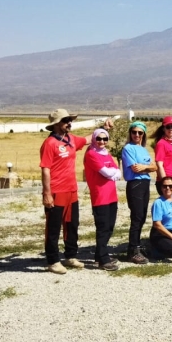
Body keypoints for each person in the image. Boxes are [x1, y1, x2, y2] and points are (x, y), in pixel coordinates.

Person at [39, 108, 110, 274]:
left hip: (71, 190)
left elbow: (87, 139)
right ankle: (53, 260)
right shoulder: (49, 144)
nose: (69, 123)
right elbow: (45, 169)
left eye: (70, 120)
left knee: (72, 224)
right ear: (56, 124)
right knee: (54, 227)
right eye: (65, 120)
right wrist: (47, 193)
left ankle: (70, 256)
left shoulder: (70, 139)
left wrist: (103, 128)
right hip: (56, 191)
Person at [82, 127, 121, 271]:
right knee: (103, 228)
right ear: (94, 139)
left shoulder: (106, 154)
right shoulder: (91, 154)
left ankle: (100, 254)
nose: (102, 141)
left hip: (111, 196)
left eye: (105, 139)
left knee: (110, 227)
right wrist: (112, 173)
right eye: (99, 138)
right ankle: (103, 260)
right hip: (100, 196)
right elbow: (105, 172)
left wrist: (113, 173)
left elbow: (118, 171)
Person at [121, 121, 157, 264]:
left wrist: (146, 167)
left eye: (140, 132)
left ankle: (136, 245)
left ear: (143, 135)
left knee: (142, 216)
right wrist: (147, 167)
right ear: (130, 133)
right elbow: (136, 168)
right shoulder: (128, 148)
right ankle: (132, 250)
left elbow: (154, 167)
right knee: (136, 217)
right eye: (134, 132)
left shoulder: (143, 149)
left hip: (145, 183)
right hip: (135, 183)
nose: (137, 135)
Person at [153, 115, 172, 196]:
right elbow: (159, 165)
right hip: (168, 181)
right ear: (163, 128)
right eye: (168, 127)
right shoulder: (161, 144)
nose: (171, 129)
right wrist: (165, 184)